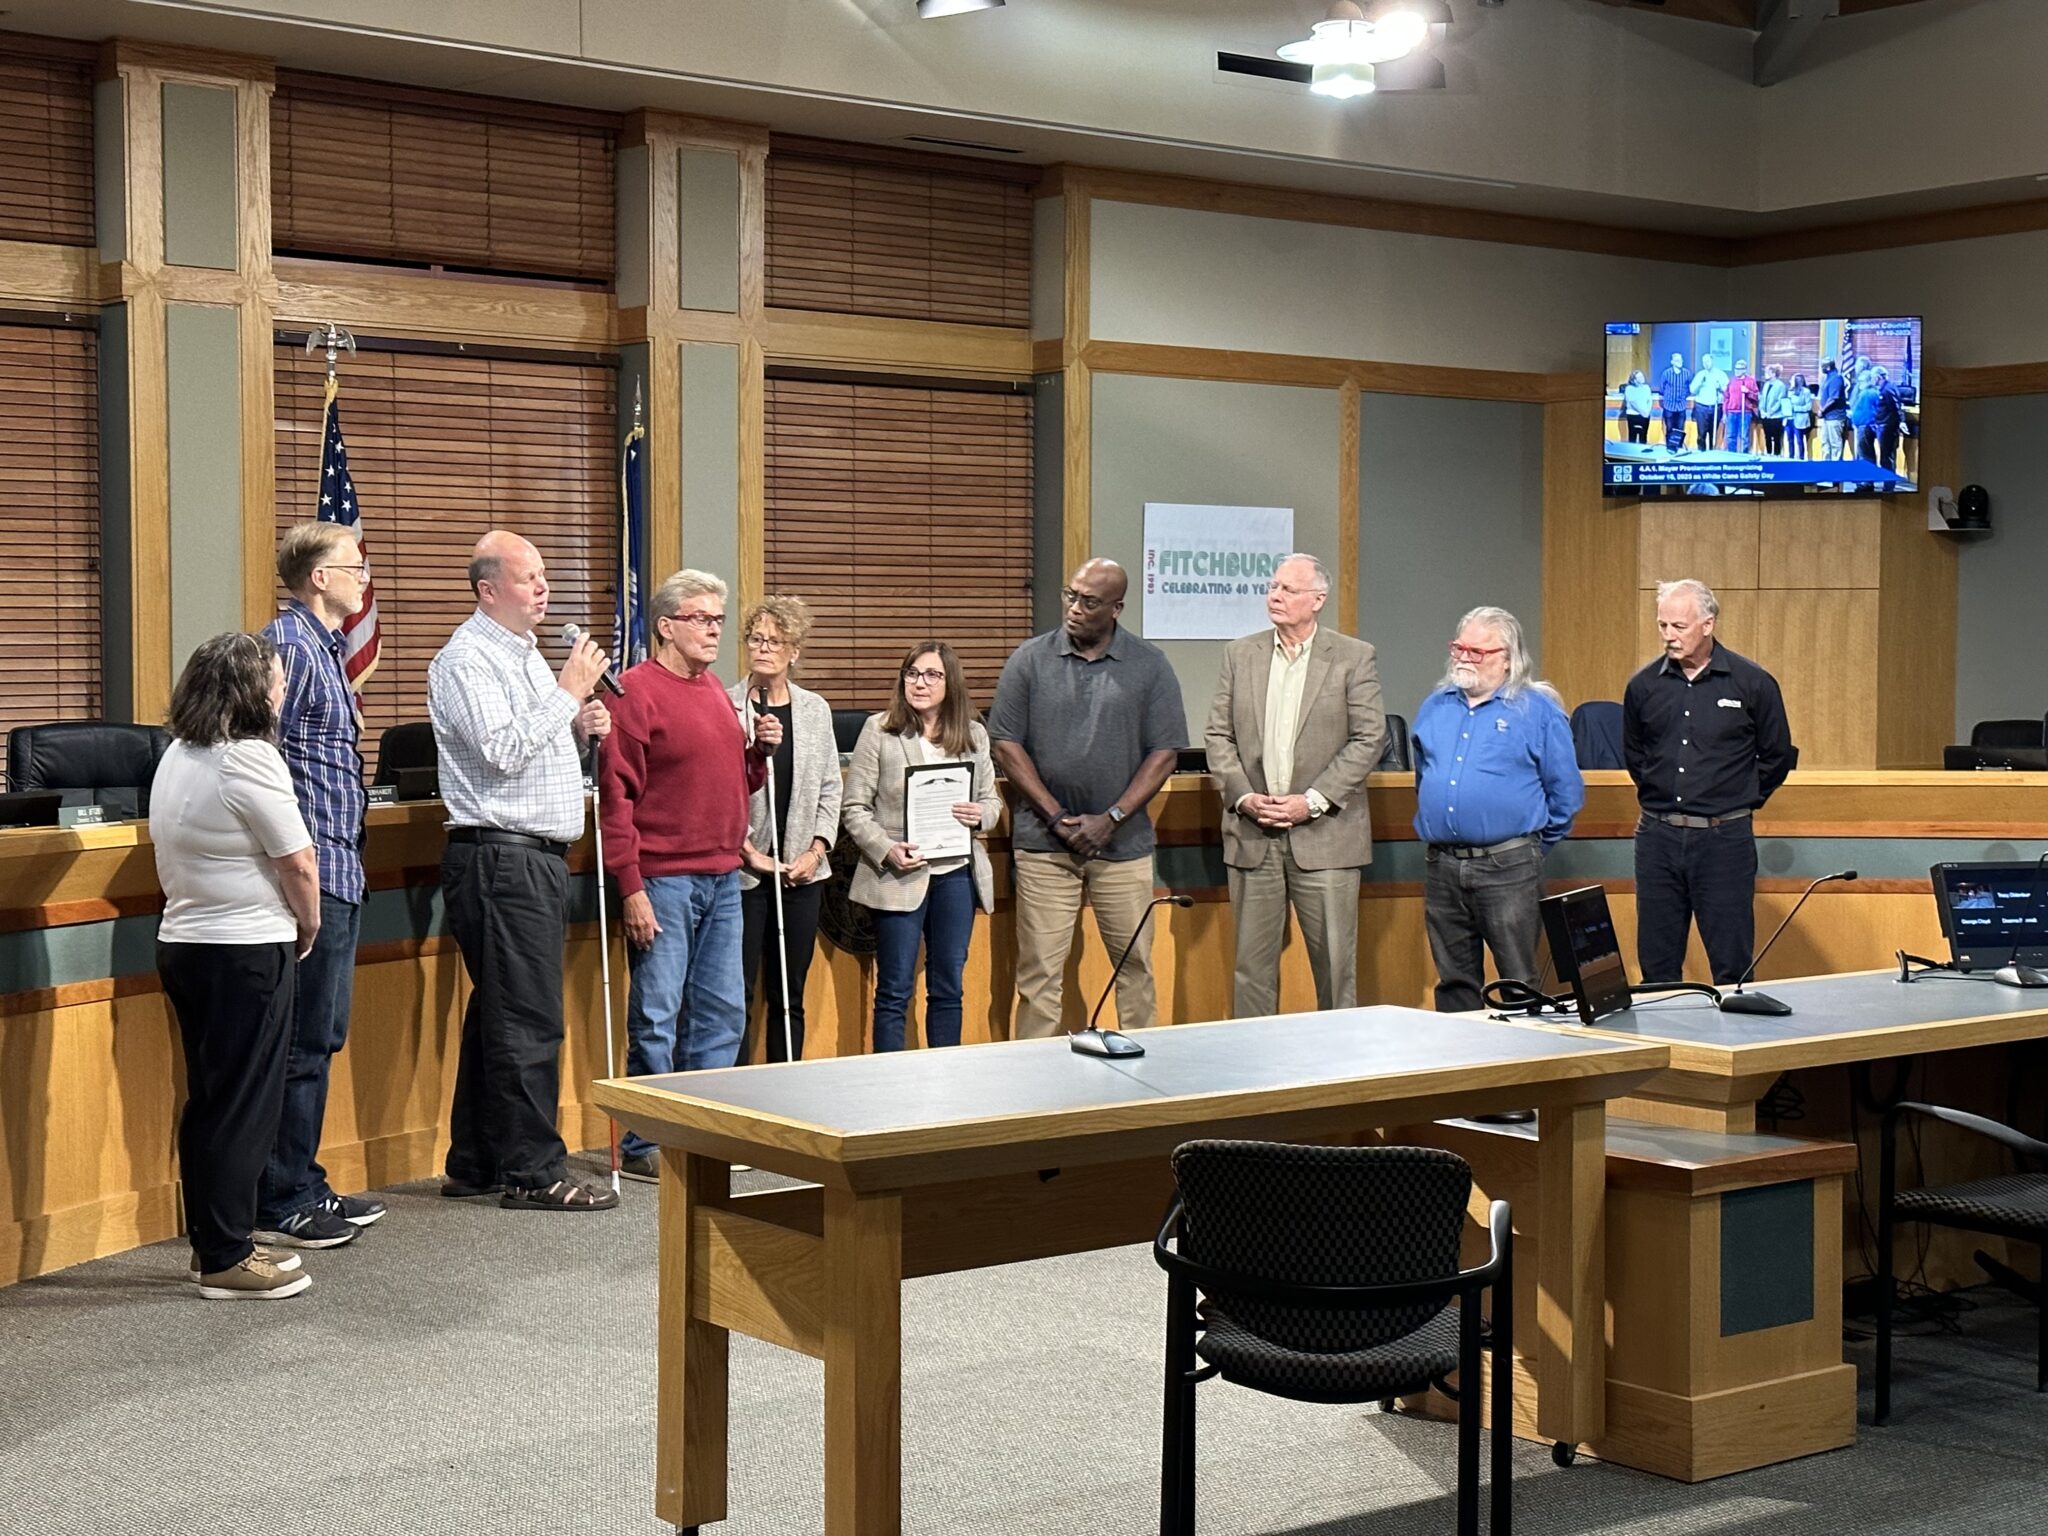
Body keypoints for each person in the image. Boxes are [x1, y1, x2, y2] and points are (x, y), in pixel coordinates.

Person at [429, 530, 618, 1211]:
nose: (543, 588)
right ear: (488, 590)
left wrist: (574, 724)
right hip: (499, 856)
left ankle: (475, 1161)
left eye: (543, 576)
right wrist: (568, 694)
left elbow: (530, 744)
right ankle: (535, 1172)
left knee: (500, 1016)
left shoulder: (528, 655)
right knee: (528, 1021)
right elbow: (502, 752)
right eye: (528, 577)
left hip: (532, 858)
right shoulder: (467, 659)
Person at [151, 632, 321, 1299]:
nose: (282, 691)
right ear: (251, 693)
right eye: (276, 681)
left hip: (187, 944)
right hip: (245, 950)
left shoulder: (175, 755)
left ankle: (211, 1245)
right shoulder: (248, 759)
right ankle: (228, 1256)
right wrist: (308, 926)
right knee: (243, 1107)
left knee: (212, 1102)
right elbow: (299, 864)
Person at [600, 570, 779, 1180]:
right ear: (666, 625)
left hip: (723, 877)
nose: (714, 630)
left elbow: (732, 785)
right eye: (701, 619)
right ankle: (646, 1142)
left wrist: (757, 753)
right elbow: (616, 801)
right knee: (656, 1014)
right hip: (663, 881)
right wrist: (631, 888)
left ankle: (704, 1133)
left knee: (723, 1012)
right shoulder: (632, 693)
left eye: (718, 620)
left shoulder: (715, 695)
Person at [249, 522, 381, 1252]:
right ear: (317, 577)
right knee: (302, 1044)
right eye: (353, 566)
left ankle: (302, 1174)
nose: (364, 576)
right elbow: (260, 761)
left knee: (321, 1039)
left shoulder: (326, 649)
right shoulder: (290, 650)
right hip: (311, 873)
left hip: (343, 865)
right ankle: (283, 1194)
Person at [989, 558, 1187, 1039]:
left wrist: (1113, 817)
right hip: (1044, 846)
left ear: (1117, 608)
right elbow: (1005, 744)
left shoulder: (1149, 665)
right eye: (1070, 596)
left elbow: (1165, 754)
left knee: (1135, 970)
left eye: (1089, 602)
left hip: (1123, 848)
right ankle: (1035, 1091)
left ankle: (1146, 1082)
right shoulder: (1029, 660)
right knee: (1039, 977)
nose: (1074, 609)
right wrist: (1056, 816)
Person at [1204, 554, 1383, 1017]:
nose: (1274, 596)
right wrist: (1243, 797)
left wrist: (1313, 802)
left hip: (1325, 840)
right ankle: (1256, 1079)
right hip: (1253, 835)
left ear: (1317, 600)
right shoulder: (1240, 654)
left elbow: (1369, 738)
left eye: (1288, 589)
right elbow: (1218, 736)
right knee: (1251, 972)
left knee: (1334, 969)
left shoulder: (1353, 656)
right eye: (1273, 587)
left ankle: (1337, 1080)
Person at [1623, 578, 1796, 985]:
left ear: (1708, 624)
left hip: (1724, 839)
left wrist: (1739, 798)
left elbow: (1776, 757)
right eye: (1663, 625)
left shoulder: (1752, 683)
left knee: (1731, 965)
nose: (1669, 636)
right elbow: (1636, 757)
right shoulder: (1643, 686)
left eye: (1678, 627)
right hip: (1657, 838)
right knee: (1657, 964)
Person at [1411, 608, 1583, 1014]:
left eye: (1477, 651)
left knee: (1518, 982)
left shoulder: (1537, 711)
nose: (1464, 658)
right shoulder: (1435, 706)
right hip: (1443, 868)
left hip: (1509, 866)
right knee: (1453, 982)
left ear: (1508, 657)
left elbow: (1567, 794)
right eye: (1459, 648)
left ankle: (1523, 1073)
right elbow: (1424, 778)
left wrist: (1528, 849)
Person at [842, 641, 1003, 1051]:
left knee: (948, 985)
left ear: (951, 683)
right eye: (912, 674)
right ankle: (891, 1087)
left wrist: (979, 815)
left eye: (932, 675)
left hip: (955, 876)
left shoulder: (974, 735)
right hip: (900, 874)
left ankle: (944, 1083)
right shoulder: (879, 731)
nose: (920, 683)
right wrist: (886, 848)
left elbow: (993, 803)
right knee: (894, 990)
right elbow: (855, 808)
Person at [730, 596, 839, 1064]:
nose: (764, 649)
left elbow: (831, 787)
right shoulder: (727, 705)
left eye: (775, 641)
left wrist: (816, 851)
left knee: (789, 994)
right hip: (746, 874)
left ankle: (785, 1092)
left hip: (800, 873)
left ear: (794, 651)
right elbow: (718, 792)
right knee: (737, 993)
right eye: (757, 639)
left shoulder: (815, 710)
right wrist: (750, 852)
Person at [1688, 356, 1728, 455]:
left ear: (1712, 361)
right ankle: (1701, 453)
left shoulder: (1720, 374)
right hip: (1702, 407)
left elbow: (1727, 389)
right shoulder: (1700, 375)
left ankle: (1712, 452)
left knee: (1713, 432)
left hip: (1716, 407)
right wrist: (1700, 383)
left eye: (1708, 361)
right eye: (1704, 362)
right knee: (1701, 433)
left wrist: (1720, 388)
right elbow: (1692, 390)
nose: (1706, 363)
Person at [1656, 352, 1691, 451]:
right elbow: (1662, 389)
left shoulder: (1687, 373)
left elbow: (1688, 389)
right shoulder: (1666, 373)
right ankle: (1670, 448)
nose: (1680, 362)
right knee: (1670, 429)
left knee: (1680, 430)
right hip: (1669, 407)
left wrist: (1683, 397)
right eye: (1677, 360)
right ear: (1672, 362)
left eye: (1681, 360)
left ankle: (1678, 449)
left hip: (1681, 407)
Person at [1816, 359, 1850, 462]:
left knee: (1835, 445)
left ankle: (1836, 472)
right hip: (1827, 418)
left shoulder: (1836, 379)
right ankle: (1826, 468)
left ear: (1828, 367)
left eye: (1823, 367)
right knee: (1825, 443)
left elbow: (1833, 398)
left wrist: (1822, 410)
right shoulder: (1827, 378)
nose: (1821, 369)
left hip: (1835, 418)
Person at [1723, 360, 1758, 454]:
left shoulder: (1750, 381)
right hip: (1731, 412)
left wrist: (1747, 392)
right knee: (1730, 436)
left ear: (1744, 370)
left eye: (1739, 369)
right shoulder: (1731, 381)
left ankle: (1744, 456)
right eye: (1735, 369)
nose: (1736, 371)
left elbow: (1756, 397)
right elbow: (1726, 398)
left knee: (1743, 436)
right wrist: (1724, 413)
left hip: (1745, 412)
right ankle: (1732, 455)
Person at [1757, 363, 1787, 457]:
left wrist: (1771, 411)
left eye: (1767, 372)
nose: (1765, 374)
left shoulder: (1780, 385)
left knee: (1776, 436)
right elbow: (1762, 398)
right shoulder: (1766, 385)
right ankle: (1769, 452)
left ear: (1773, 373)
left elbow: (1780, 401)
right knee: (1767, 436)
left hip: (1775, 416)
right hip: (1765, 416)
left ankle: (1777, 454)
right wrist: (1762, 410)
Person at [1785, 372, 1814, 461]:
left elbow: (1808, 407)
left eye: (1792, 380)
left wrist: (1795, 408)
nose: (1790, 381)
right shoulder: (1790, 391)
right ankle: (1791, 457)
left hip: (1800, 419)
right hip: (1789, 418)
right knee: (1790, 440)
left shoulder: (1806, 391)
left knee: (1799, 440)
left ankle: (1801, 458)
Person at [1620, 369, 1653, 445]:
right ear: (1634, 380)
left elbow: (1649, 401)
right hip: (1633, 415)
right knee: (1632, 437)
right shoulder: (1629, 389)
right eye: (1640, 377)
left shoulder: (1646, 388)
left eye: (1642, 376)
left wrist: (1647, 412)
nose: (1642, 378)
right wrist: (1642, 412)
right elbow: (1632, 402)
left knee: (1643, 437)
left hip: (1645, 416)